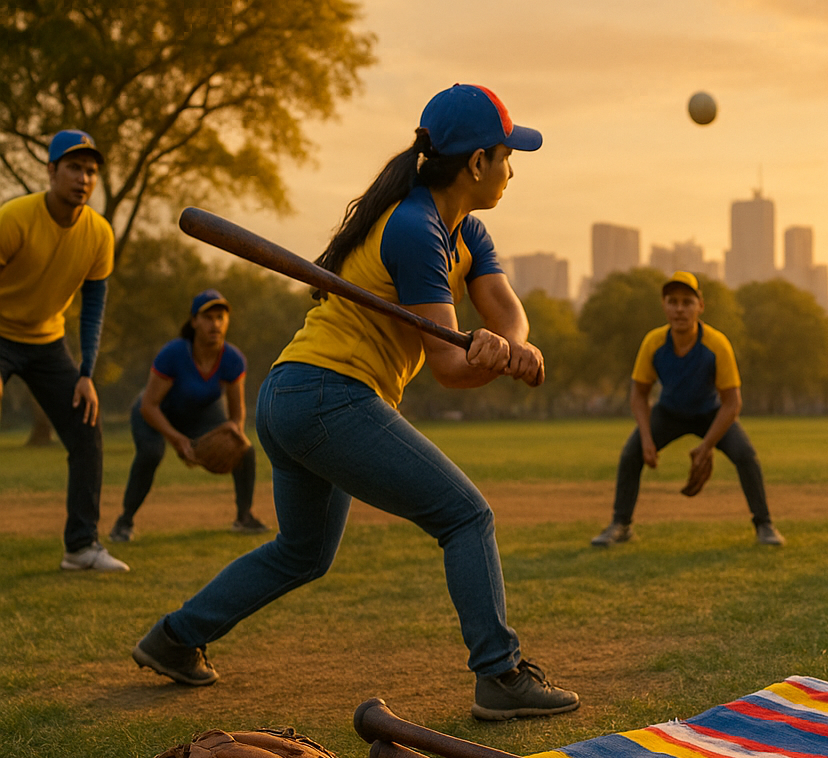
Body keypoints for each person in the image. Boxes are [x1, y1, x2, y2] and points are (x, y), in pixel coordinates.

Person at [131, 84, 579, 720]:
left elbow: (508, 312)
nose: (512, 167)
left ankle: (174, 639)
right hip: (327, 395)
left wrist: (512, 346)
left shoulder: (464, 230)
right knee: (465, 516)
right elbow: (451, 366)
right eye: (508, 153)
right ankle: (499, 676)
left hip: (292, 396)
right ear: (477, 163)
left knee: (302, 552)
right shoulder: (416, 229)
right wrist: (487, 358)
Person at [0, 129, 127, 572]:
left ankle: (81, 547)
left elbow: (93, 307)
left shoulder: (98, 234)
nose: (84, 178)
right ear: (51, 170)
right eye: (74, 167)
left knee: (86, 427)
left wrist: (87, 373)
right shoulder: (14, 219)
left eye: (91, 171)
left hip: (47, 342)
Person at [591, 270, 783, 547]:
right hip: (669, 412)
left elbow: (732, 403)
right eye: (673, 301)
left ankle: (764, 525)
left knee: (746, 455)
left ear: (700, 306)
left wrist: (707, 447)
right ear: (664, 306)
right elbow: (639, 394)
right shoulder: (653, 343)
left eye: (687, 302)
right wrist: (646, 439)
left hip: (710, 414)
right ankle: (621, 525)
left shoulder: (716, 345)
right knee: (630, 454)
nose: (680, 309)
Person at [110, 289, 268, 541]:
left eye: (220, 317)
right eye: (207, 317)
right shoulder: (174, 354)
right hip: (156, 412)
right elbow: (149, 405)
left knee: (245, 450)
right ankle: (124, 521)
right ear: (194, 321)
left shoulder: (232, 359)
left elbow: (237, 414)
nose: (215, 324)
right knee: (151, 453)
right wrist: (177, 440)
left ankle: (244, 517)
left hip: (199, 413)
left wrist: (233, 432)